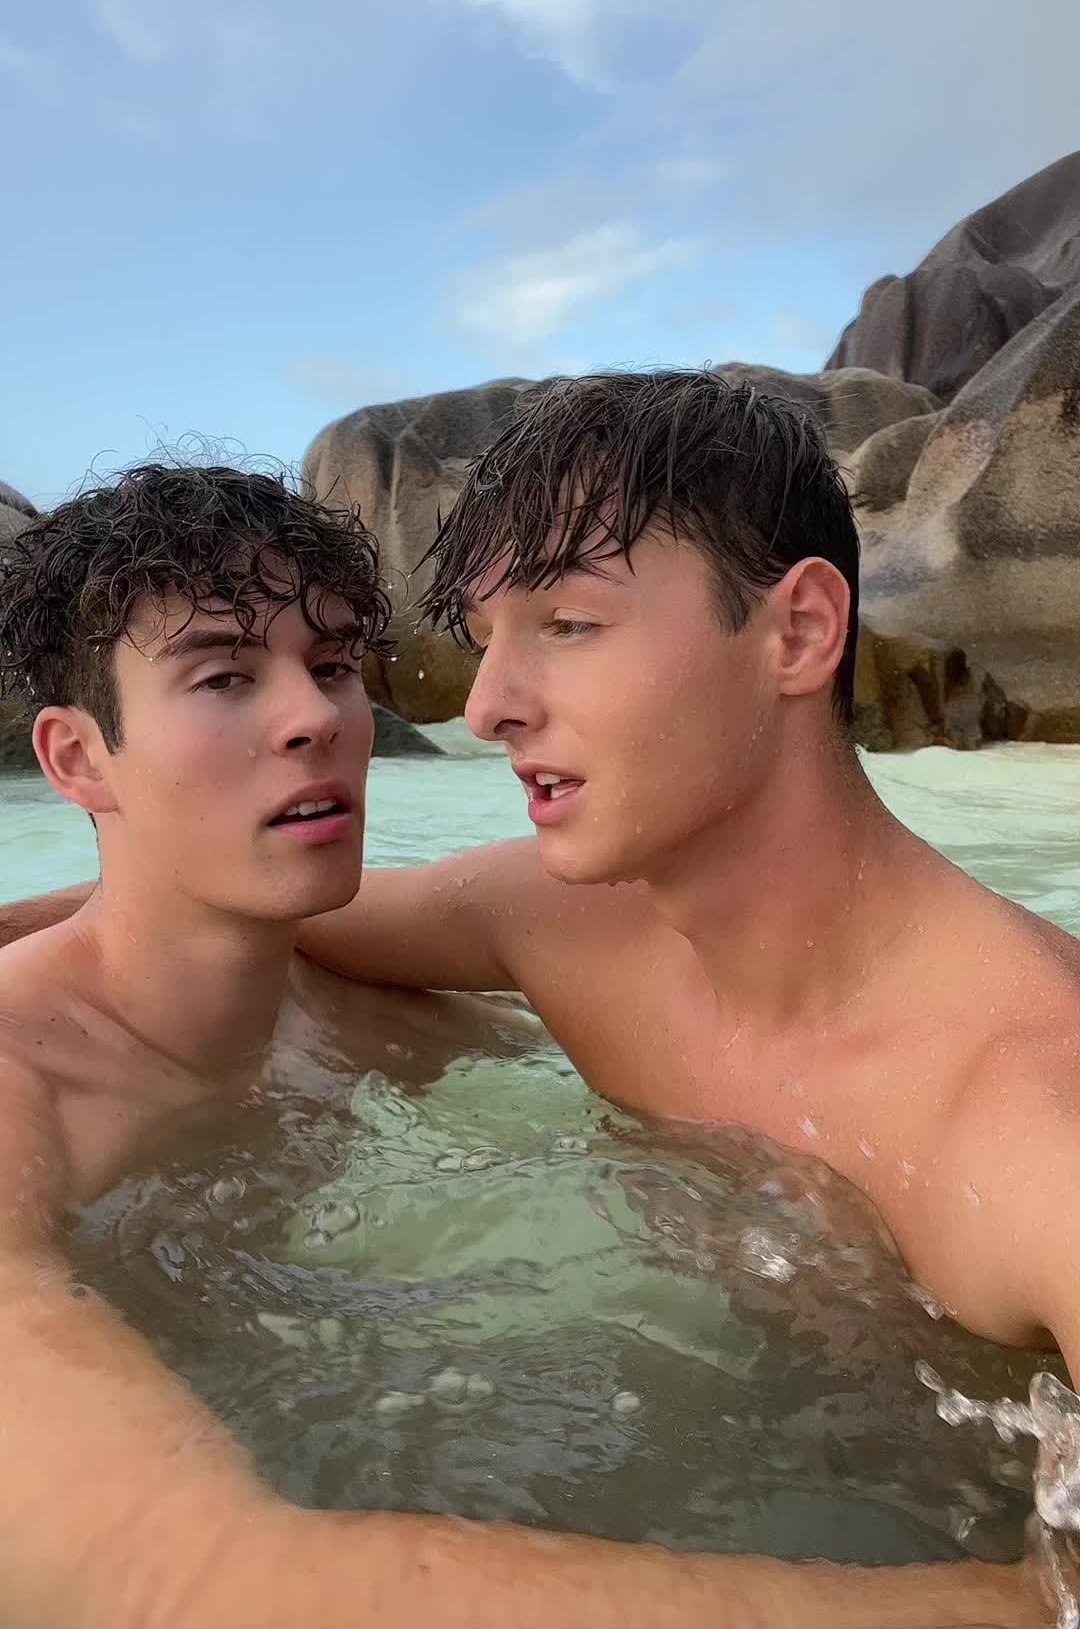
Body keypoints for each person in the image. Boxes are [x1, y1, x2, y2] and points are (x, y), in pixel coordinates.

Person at [0, 424, 1053, 1629]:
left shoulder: (1033, 1114)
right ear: (77, 758)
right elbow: (173, 1588)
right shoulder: (30, 1085)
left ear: (801, 633)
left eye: (336, 665)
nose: (479, 708)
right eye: (224, 677)